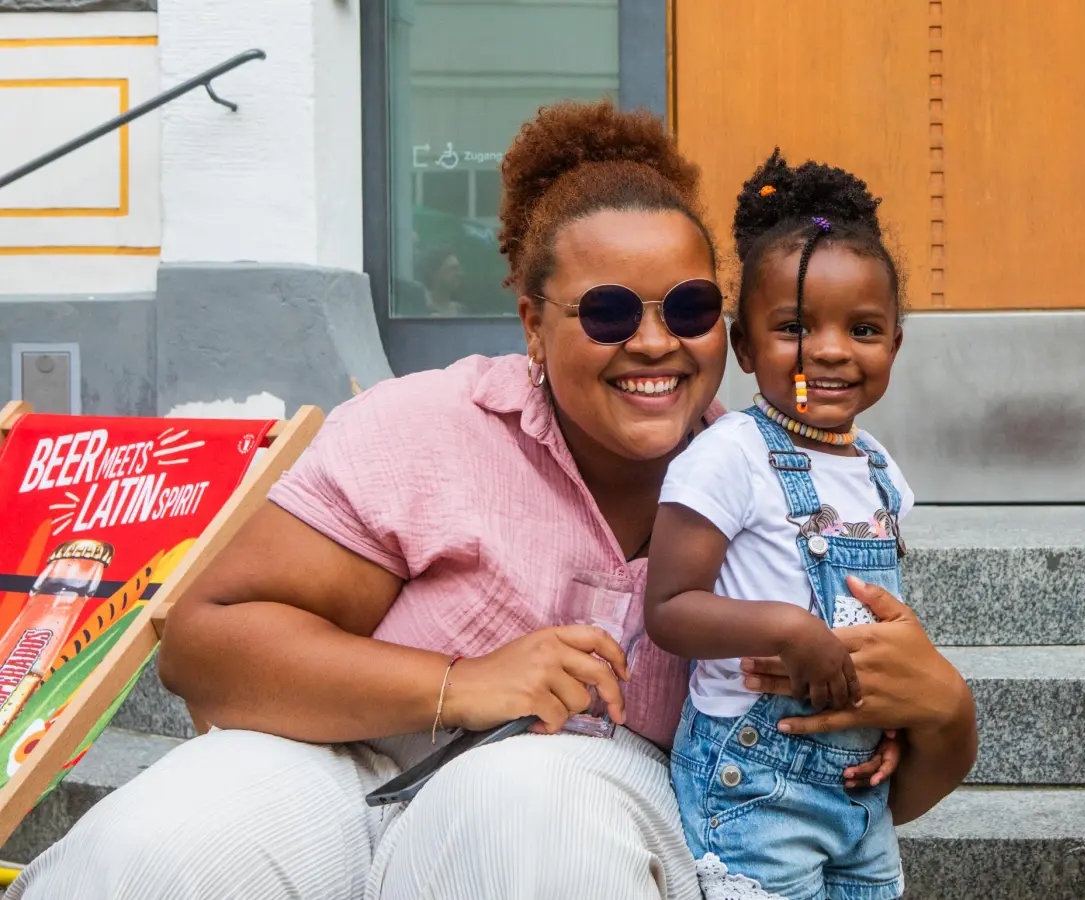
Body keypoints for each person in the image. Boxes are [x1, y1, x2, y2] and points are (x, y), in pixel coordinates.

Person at [4, 101, 977, 900]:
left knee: (537, 812)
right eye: (605, 311)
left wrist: (945, 715)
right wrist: (456, 683)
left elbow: (832, 790)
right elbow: (205, 645)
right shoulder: (425, 426)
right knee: (168, 849)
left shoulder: (770, 485)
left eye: (686, 309)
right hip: (347, 765)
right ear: (529, 319)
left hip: (584, 797)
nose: (653, 342)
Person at [646, 151, 912, 900]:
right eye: (795, 327)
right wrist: (789, 631)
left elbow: (875, 612)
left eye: (862, 329)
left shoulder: (881, 470)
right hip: (753, 786)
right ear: (744, 346)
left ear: (895, 342)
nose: (829, 350)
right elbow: (668, 610)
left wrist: (886, 712)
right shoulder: (728, 457)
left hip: (858, 787)